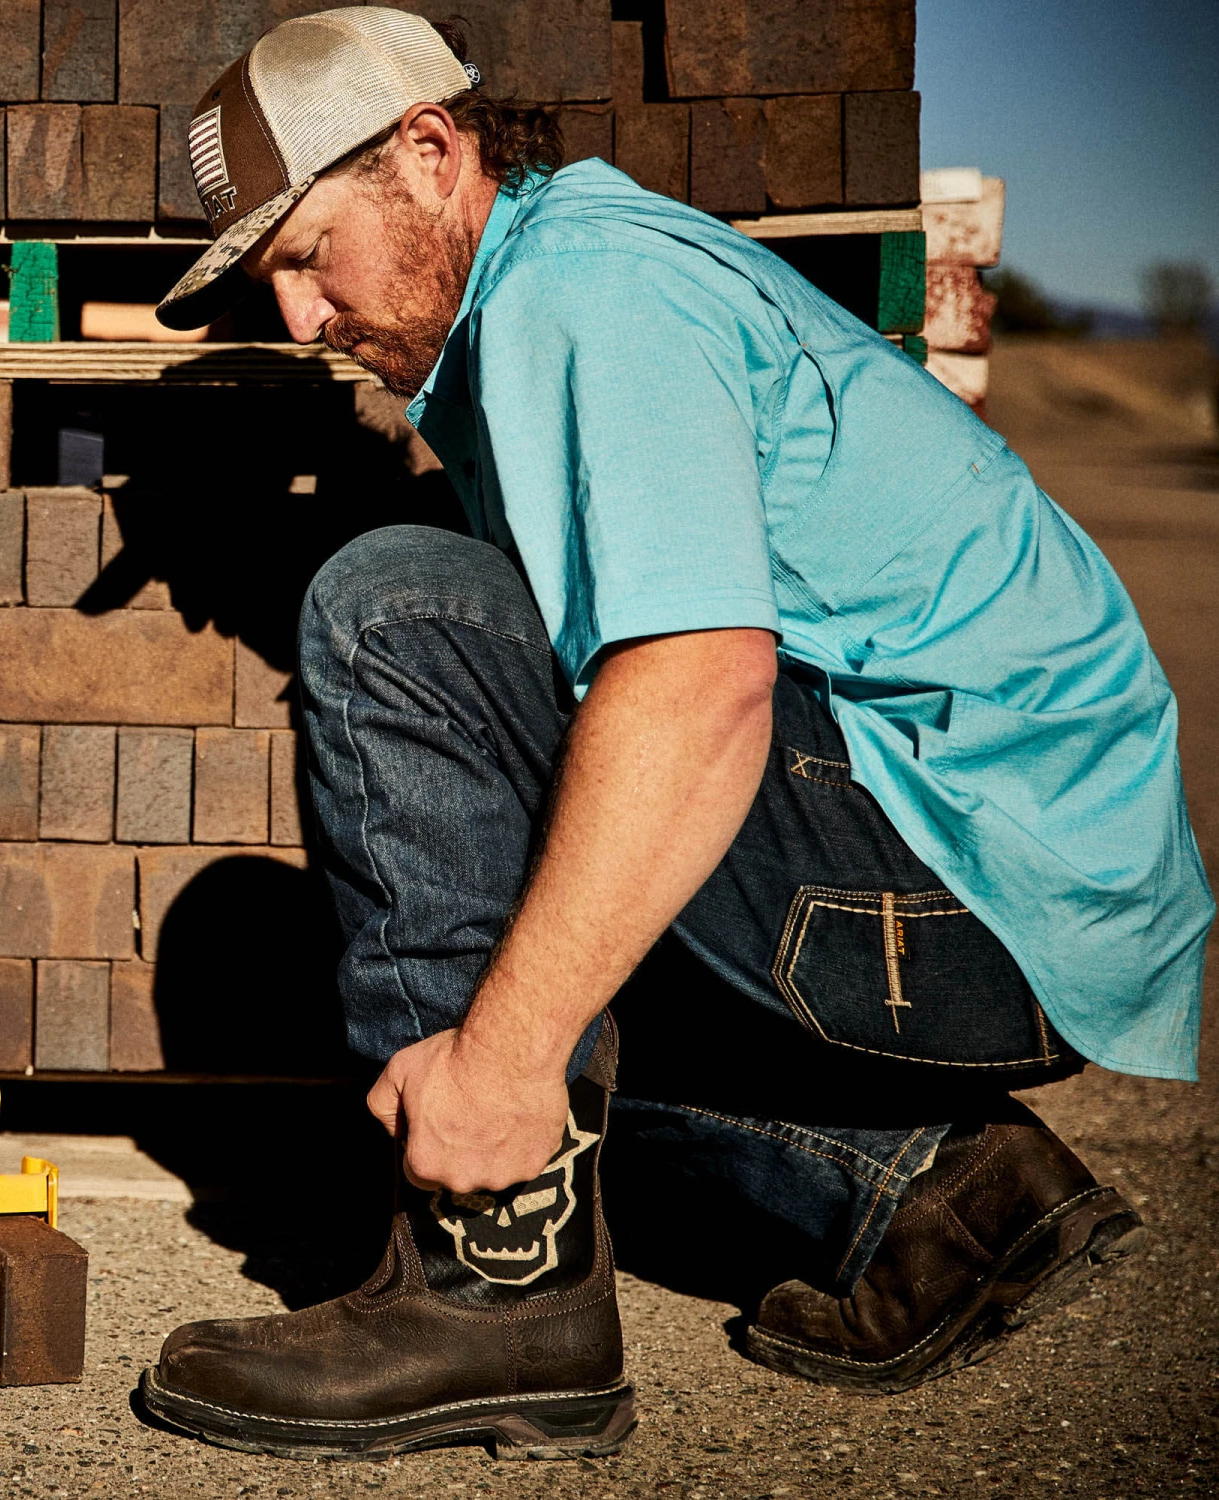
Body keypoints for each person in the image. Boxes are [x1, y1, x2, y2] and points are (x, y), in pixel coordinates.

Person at [137, 7, 1212, 1462]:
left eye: (308, 256)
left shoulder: (582, 293)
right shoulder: (557, 287)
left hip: (985, 873)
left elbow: (699, 694)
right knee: (535, 958)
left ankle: (490, 1276)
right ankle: (939, 1191)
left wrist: (497, 1079)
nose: (303, 322)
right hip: (1017, 886)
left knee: (394, 606)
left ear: (432, 155)